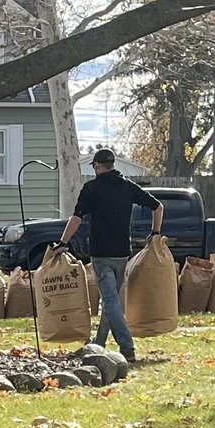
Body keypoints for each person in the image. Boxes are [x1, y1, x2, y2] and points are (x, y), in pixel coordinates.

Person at [61, 148, 160, 364]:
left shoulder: (91, 188)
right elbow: (158, 207)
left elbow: (76, 218)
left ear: (97, 166)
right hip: (122, 253)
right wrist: (155, 233)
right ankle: (99, 344)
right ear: (113, 165)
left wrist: (63, 242)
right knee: (110, 301)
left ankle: (127, 347)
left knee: (110, 301)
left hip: (101, 254)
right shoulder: (127, 187)